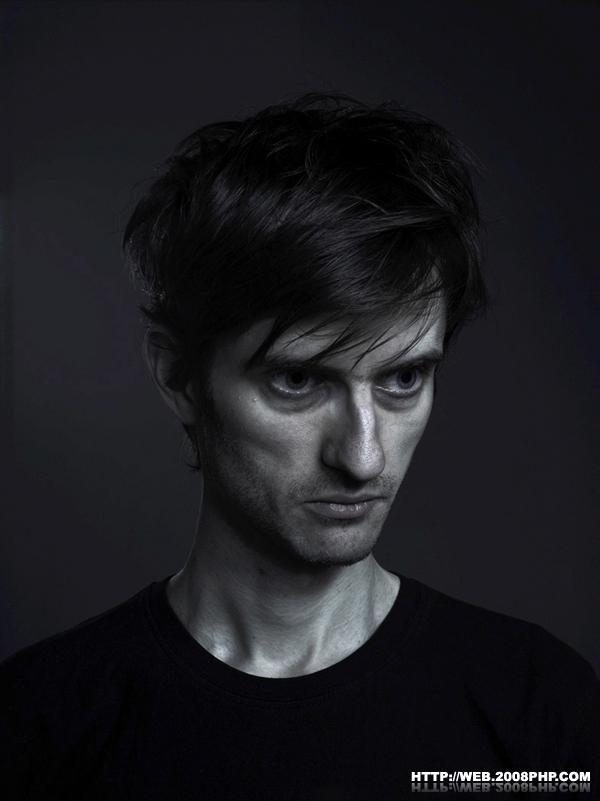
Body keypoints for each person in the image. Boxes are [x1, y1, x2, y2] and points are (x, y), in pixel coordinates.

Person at [1, 93, 598, 800]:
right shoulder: (37, 727)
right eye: (297, 380)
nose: (364, 458)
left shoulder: (537, 711)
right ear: (178, 376)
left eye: (403, 378)